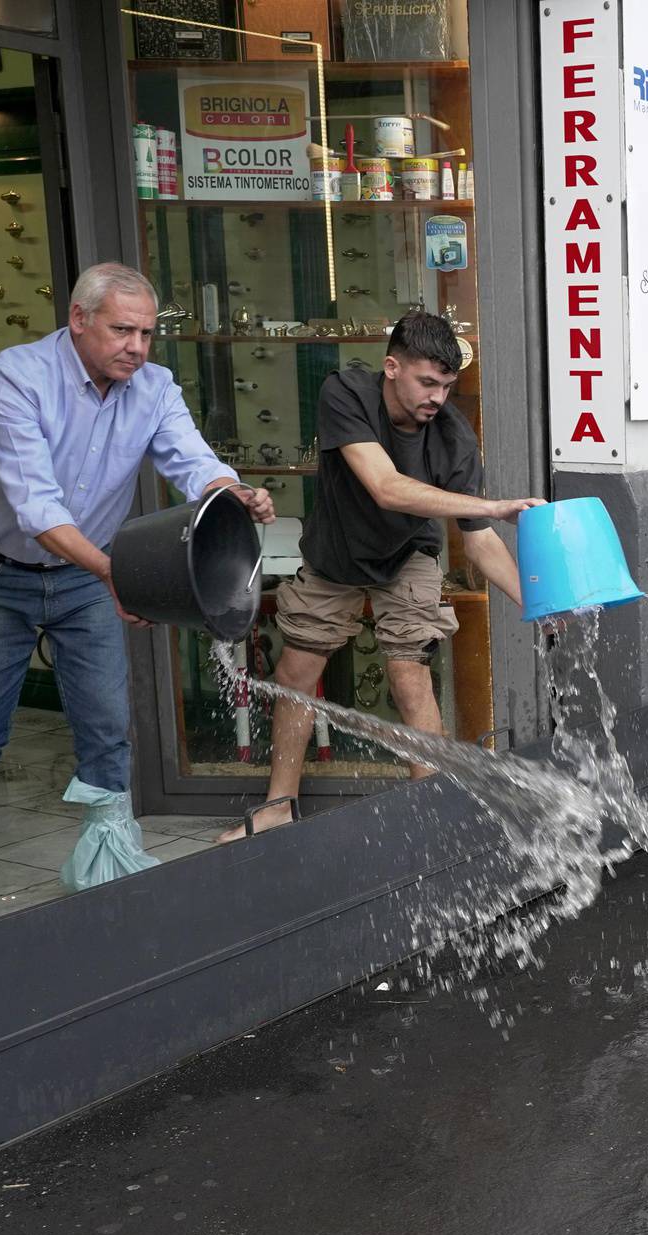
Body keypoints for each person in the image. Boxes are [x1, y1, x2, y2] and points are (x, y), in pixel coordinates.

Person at [0, 262, 275, 919]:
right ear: (78, 320)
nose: (137, 347)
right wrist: (113, 573)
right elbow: (36, 508)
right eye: (123, 330)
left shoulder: (152, 387)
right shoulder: (16, 377)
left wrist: (232, 493)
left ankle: (109, 882)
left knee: (105, 724)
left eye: (148, 333)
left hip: (84, 573)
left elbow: (192, 461)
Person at [220, 312, 541, 841]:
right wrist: (495, 503)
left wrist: (537, 603)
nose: (438, 398)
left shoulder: (454, 440)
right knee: (296, 674)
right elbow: (385, 487)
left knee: (409, 673)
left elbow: (480, 540)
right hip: (336, 552)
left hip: (407, 552)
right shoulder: (345, 392)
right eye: (427, 383)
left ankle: (436, 814)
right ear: (392, 368)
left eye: (447, 386)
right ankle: (278, 806)